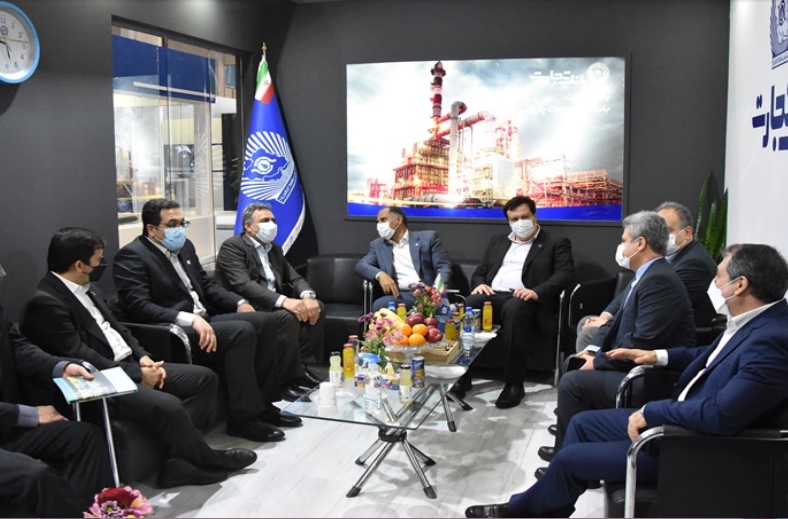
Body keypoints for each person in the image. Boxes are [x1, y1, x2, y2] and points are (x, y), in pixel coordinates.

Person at [465, 243, 788, 518]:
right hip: (680, 421)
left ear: (740, 285)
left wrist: (652, 412)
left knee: (569, 458)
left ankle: (519, 511)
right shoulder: (753, 322)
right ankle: (549, 507)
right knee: (582, 424)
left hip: (691, 447)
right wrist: (655, 356)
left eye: (718, 277)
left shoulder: (771, 341)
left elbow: (721, 414)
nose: (713, 284)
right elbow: (709, 355)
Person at [21, 227, 259, 489]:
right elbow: (79, 354)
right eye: (99, 260)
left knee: (203, 379)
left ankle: (177, 462)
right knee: (169, 405)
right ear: (79, 265)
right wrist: (137, 374)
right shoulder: (46, 302)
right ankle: (209, 458)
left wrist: (143, 357)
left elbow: (118, 328)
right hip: (98, 379)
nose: (102, 264)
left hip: (128, 363)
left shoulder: (87, 287)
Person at [112, 199, 302, 441]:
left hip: (205, 317)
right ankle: (243, 419)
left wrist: (238, 302)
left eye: (182, 223)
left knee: (264, 320)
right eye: (173, 224)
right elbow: (139, 306)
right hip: (172, 330)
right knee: (241, 332)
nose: (180, 229)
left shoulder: (185, 247)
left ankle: (265, 405)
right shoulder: (132, 256)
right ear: (151, 229)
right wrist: (189, 319)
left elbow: (206, 286)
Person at [537, 211, 695, 472]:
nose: (621, 247)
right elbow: (614, 323)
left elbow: (644, 341)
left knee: (573, 381)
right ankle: (570, 450)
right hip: (631, 364)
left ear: (640, 243)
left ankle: (569, 462)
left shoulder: (660, 280)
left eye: (624, 241)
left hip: (650, 377)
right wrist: (592, 351)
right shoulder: (646, 274)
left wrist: (599, 362)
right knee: (573, 363)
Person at [0, 263, 112, 517]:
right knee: (33, 475)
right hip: (8, 416)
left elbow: (18, 347)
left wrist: (60, 367)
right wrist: (26, 414)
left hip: (6, 426)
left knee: (85, 436)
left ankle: (89, 511)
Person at [464, 196, 575, 409]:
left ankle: (514, 384)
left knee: (515, 309)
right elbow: (481, 271)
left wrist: (536, 292)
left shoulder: (555, 242)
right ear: (508, 221)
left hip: (526, 299)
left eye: (524, 217)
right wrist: (479, 284)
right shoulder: (498, 241)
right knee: (469, 304)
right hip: (493, 296)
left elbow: (565, 274)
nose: (520, 222)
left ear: (534, 215)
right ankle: (462, 377)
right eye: (514, 219)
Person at [576, 201, 717, 350]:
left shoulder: (694, 264)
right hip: (647, 323)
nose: (661, 237)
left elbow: (655, 307)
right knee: (587, 323)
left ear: (687, 233)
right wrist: (606, 316)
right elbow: (629, 293)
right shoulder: (665, 259)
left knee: (589, 333)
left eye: (667, 231)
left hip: (665, 338)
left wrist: (608, 324)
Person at [216, 202, 324, 388]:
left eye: (273, 220)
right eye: (265, 220)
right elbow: (244, 284)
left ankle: (301, 369)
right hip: (248, 306)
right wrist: (284, 301)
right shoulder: (232, 247)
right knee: (287, 316)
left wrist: (308, 296)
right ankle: (283, 381)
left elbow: (295, 277)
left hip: (272, 304)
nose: (272, 225)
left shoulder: (274, 249)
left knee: (317, 306)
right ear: (248, 226)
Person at [355, 206, 452, 311]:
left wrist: (437, 290)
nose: (379, 225)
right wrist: (381, 275)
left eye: (383, 220)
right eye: (378, 222)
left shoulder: (428, 238)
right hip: (402, 296)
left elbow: (443, 266)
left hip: (427, 293)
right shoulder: (378, 245)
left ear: (398, 220)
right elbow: (361, 265)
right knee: (381, 304)